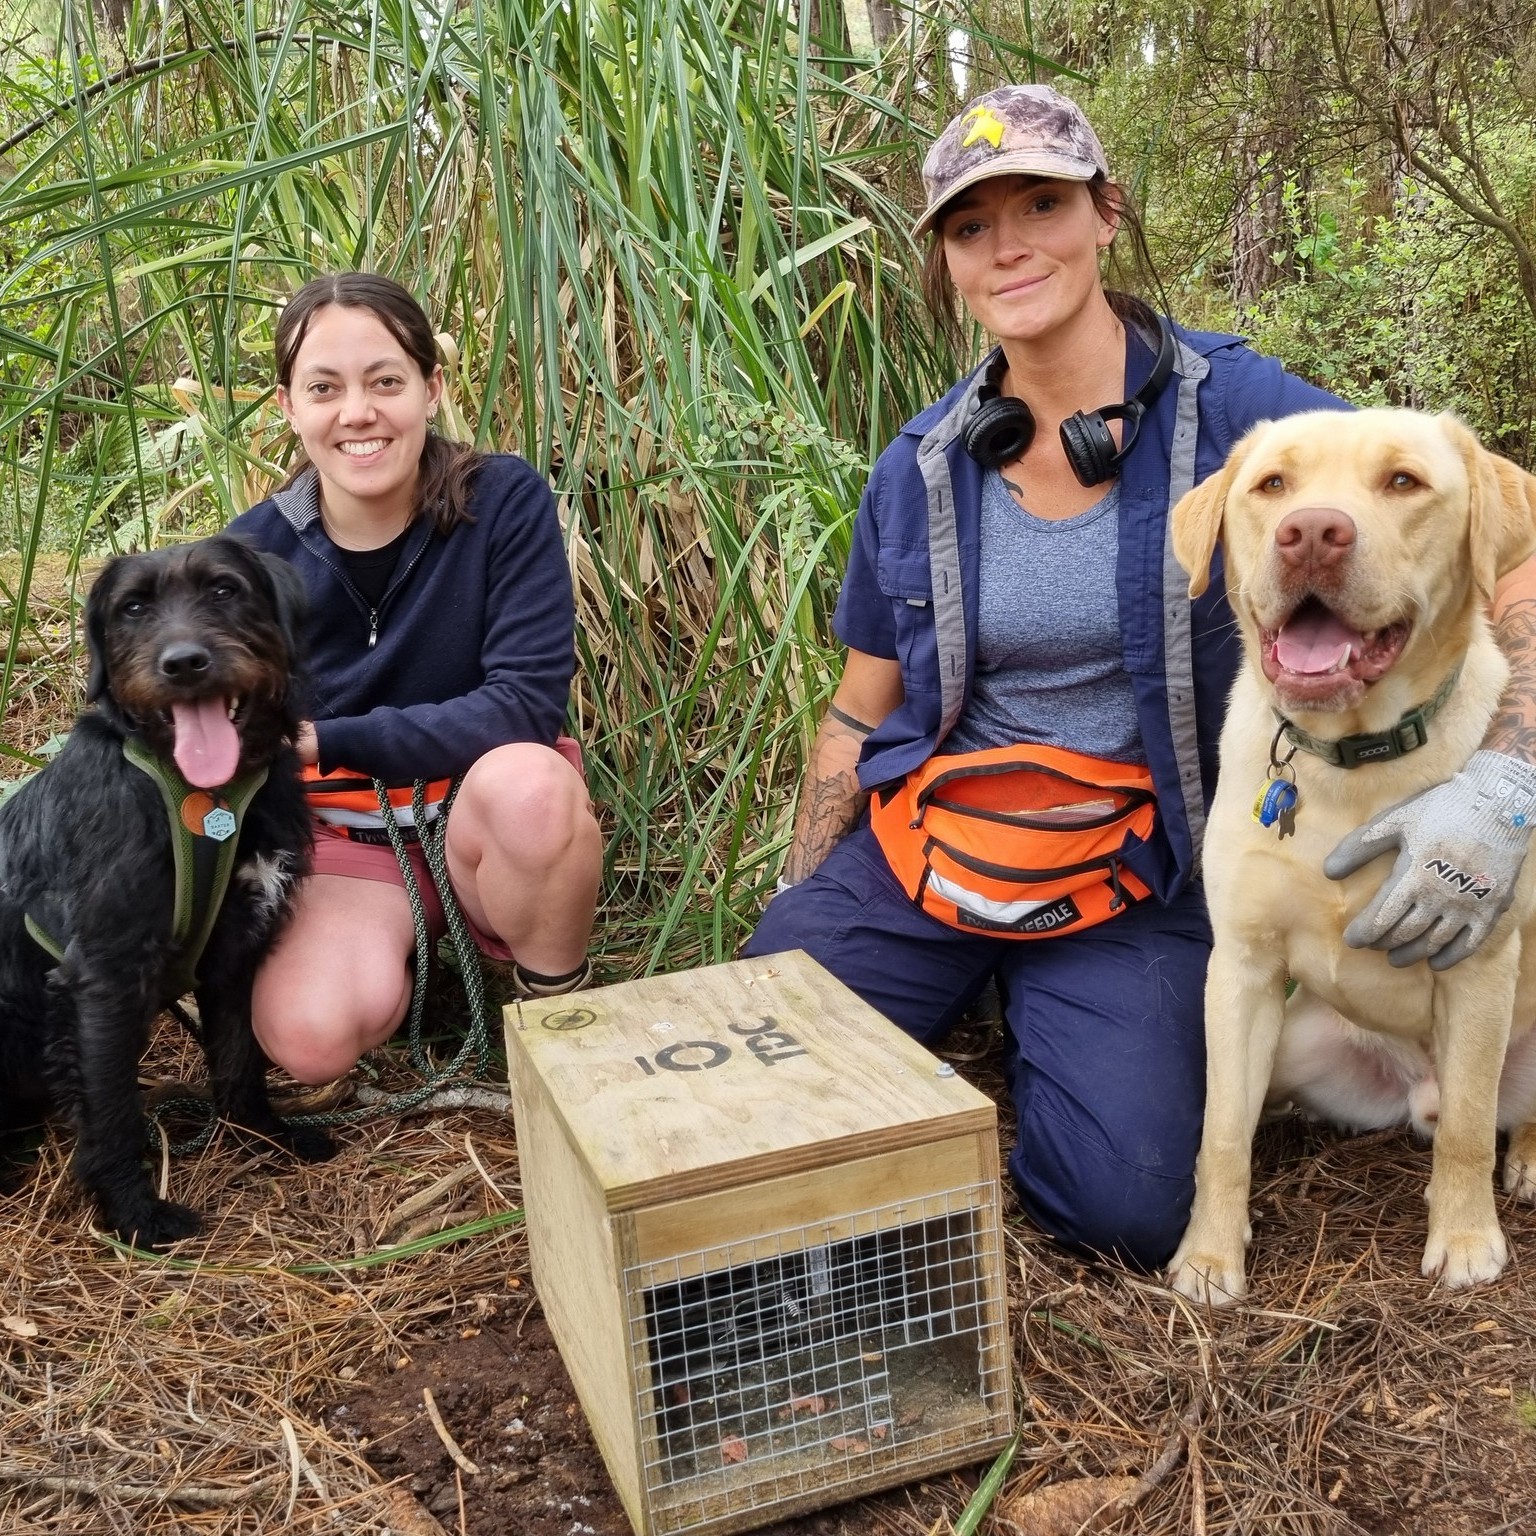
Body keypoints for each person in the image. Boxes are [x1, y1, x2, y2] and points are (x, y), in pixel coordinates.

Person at [744, 84, 1536, 1271]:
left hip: (1140, 865)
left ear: (1105, 213)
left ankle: (1048, 999)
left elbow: (1494, 560)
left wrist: (1507, 773)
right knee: (769, 1027)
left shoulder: (1251, 415)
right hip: (945, 839)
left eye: (1043, 203)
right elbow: (855, 718)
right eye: (971, 226)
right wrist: (810, 907)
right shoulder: (917, 468)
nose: (1008, 243)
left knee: (1120, 1207)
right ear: (949, 263)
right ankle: (963, 974)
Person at [227, 273, 603, 1086]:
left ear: (430, 389)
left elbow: (524, 707)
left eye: (385, 381)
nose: (357, 412)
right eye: (323, 388)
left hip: (486, 817)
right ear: (289, 408)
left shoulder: (501, 500)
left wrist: (327, 740)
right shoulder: (250, 556)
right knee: (308, 1040)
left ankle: (555, 1006)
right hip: (347, 842)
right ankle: (388, 952)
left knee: (532, 788)